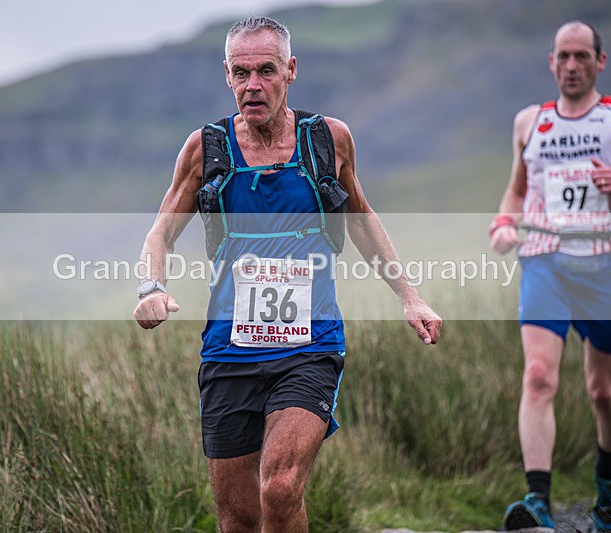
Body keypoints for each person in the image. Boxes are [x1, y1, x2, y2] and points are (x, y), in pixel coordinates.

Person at [133, 16, 441, 532]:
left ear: (290, 70)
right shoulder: (206, 149)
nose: (252, 85)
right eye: (241, 73)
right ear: (227, 75)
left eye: (266, 71)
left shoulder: (328, 140)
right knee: (238, 518)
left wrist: (410, 297)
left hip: (310, 346)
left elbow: (361, 220)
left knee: (279, 487)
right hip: (229, 351)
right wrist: (151, 288)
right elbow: (159, 235)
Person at [490, 21, 611, 530]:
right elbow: (516, 189)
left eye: (581, 56)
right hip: (545, 260)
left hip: (608, 264)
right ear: (550, 63)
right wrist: (505, 222)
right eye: (563, 56)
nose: (571, 66)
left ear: (600, 61)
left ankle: (606, 477)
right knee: (538, 376)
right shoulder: (529, 122)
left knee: (602, 390)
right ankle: (538, 501)